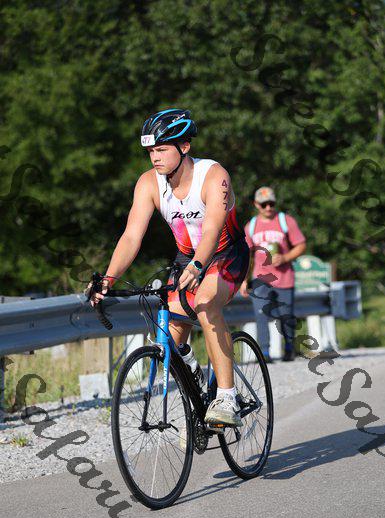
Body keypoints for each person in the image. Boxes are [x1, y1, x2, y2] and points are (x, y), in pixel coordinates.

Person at [89, 109, 249, 426]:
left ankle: (227, 397)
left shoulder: (214, 176)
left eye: (162, 149)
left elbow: (213, 229)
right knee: (169, 338)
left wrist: (200, 265)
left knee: (205, 303)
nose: (155, 157)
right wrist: (108, 279)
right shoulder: (148, 183)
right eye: (151, 151)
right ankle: (197, 381)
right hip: (186, 259)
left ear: (184, 146)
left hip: (225, 254)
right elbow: (132, 236)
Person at [240, 186, 306, 362]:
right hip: (260, 277)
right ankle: (264, 353)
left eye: (271, 203)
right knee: (261, 313)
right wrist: (244, 280)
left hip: (284, 277)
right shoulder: (251, 226)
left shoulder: (286, 221)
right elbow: (247, 255)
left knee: (286, 315)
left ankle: (289, 347)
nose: (268, 207)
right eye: (264, 204)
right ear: (256, 204)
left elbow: (301, 245)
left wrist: (285, 257)